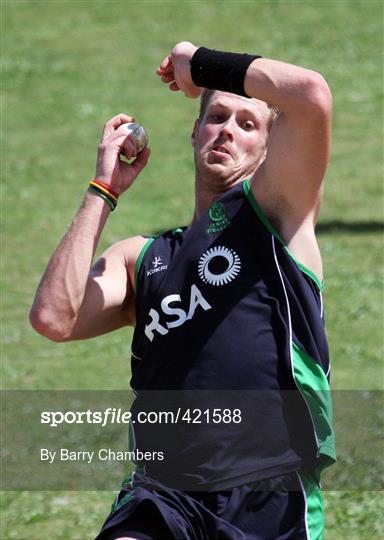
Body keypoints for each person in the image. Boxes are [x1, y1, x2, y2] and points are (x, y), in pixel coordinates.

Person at [30, 42, 336, 540]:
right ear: (195, 132)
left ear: (268, 147)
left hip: (268, 493)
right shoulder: (144, 258)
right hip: (161, 496)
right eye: (216, 116)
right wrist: (102, 190)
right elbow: (53, 318)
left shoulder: (278, 216)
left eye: (247, 123)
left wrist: (198, 61)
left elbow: (311, 94)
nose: (228, 130)